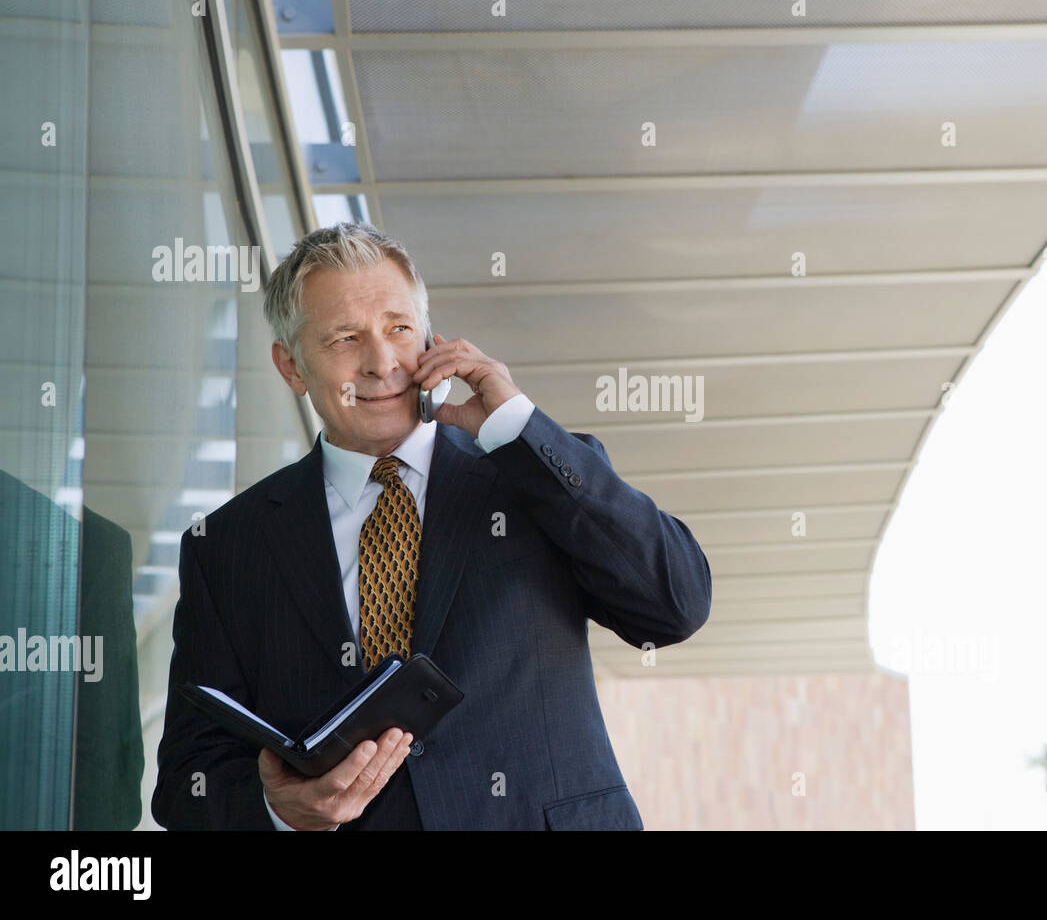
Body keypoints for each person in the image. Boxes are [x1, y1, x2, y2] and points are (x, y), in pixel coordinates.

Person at [150, 223, 711, 829]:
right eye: (344, 337)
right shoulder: (229, 547)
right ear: (291, 366)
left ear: (429, 339)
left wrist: (518, 425)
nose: (381, 362)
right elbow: (189, 779)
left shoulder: (533, 474)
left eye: (398, 329)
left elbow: (674, 606)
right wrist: (278, 809)